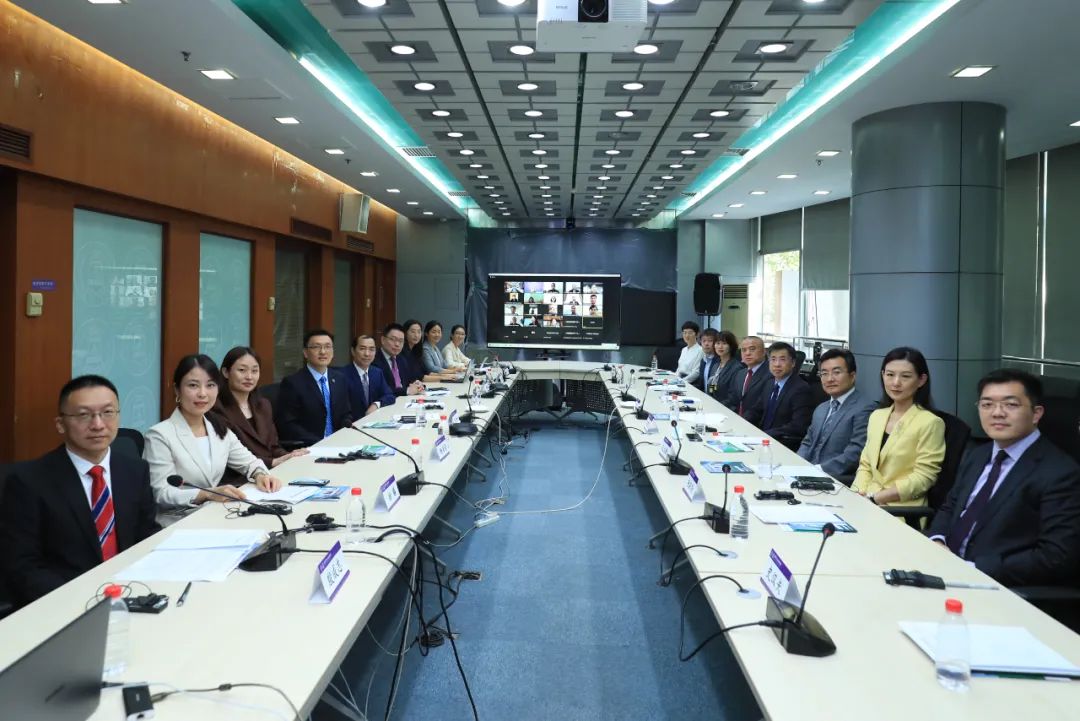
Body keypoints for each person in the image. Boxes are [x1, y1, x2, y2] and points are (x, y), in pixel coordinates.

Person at [0, 375, 160, 607]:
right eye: (84, 415)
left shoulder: (135, 470)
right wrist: (82, 600)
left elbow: (147, 536)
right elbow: (21, 566)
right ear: (60, 424)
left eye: (108, 412)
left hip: (130, 594)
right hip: (65, 605)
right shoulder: (28, 481)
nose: (98, 424)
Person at [927, 370, 1080, 586]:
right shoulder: (978, 454)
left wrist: (975, 568)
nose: (997, 413)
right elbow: (950, 506)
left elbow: (1056, 556)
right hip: (944, 569)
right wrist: (937, 540)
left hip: (996, 585)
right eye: (987, 404)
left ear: (1036, 414)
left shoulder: (1060, 473)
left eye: (1010, 405)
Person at [145, 355, 283, 524]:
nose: (202, 393)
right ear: (177, 390)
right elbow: (162, 493)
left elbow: (249, 462)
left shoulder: (218, 427)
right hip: (178, 522)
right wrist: (207, 494)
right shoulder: (159, 435)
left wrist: (260, 475)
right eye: (193, 385)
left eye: (210, 385)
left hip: (217, 516)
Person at [853, 347, 945, 507]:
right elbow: (866, 465)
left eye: (906, 376)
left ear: (921, 380)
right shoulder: (877, 416)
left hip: (901, 508)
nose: (896, 383)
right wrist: (857, 493)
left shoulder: (930, 422)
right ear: (882, 375)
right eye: (890, 375)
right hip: (866, 500)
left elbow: (924, 477)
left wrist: (877, 498)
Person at [210, 346, 309, 485]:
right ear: (226, 372)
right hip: (240, 481)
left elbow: (273, 446)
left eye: (254, 371)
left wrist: (289, 456)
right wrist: (273, 462)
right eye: (242, 370)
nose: (249, 376)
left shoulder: (263, 405)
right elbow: (230, 458)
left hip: (272, 474)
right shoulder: (216, 409)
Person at [797, 349, 876, 486]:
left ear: (852, 376)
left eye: (837, 372)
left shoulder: (865, 408)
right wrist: (796, 464)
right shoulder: (821, 408)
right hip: (807, 475)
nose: (829, 379)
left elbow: (856, 453)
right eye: (824, 373)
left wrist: (817, 470)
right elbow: (808, 442)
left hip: (835, 480)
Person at [274, 330, 354, 445]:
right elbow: (288, 424)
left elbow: (346, 413)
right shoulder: (292, 383)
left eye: (327, 347)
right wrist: (321, 442)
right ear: (305, 353)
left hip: (338, 442)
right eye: (316, 347)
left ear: (333, 352)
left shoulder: (340, 379)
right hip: (309, 445)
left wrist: (345, 430)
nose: (323, 352)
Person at [745, 342, 815, 449]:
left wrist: (764, 435)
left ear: (793, 363)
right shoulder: (769, 383)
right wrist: (742, 421)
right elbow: (756, 410)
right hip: (762, 440)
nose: (777, 364)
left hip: (782, 444)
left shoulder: (801, 389)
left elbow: (798, 426)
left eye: (782, 359)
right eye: (773, 359)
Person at [340, 334, 396, 418]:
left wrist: (376, 404)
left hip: (373, 421)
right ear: (353, 351)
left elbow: (390, 396)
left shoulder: (377, 372)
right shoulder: (342, 376)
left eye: (371, 349)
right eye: (362, 349)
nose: (367, 354)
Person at [373, 322, 425, 396]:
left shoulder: (401, 359)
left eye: (401, 341)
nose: (397, 344)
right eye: (393, 339)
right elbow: (380, 389)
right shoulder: (374, 360)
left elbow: (408, 381)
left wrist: (416, 383)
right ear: (383, 340)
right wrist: (406, 391)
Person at [726, 335, 768, 416]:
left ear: (764, 352)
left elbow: (762, 408)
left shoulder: (771, 375)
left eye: (752, 349)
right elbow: (732, 399)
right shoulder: (740, 373)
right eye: (743, 350)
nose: (747, 353)